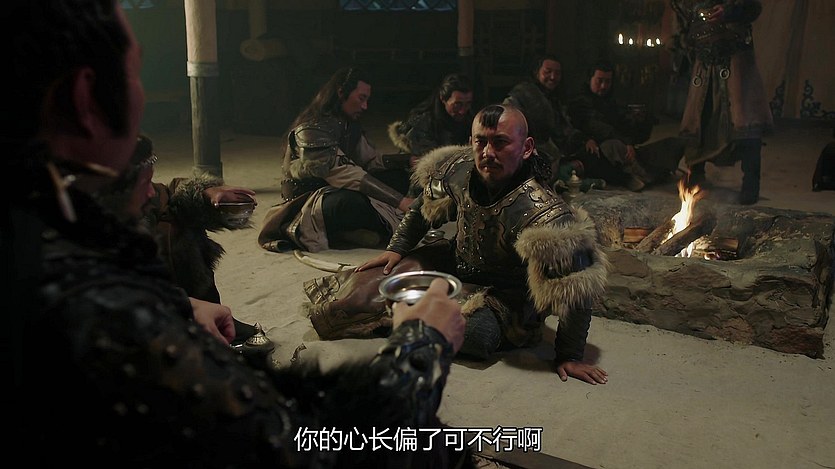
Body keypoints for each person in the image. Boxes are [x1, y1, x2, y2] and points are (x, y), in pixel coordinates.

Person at [4, 1, 470, 466]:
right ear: (84, 98)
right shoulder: (97, 308)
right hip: (309, 204)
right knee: (433, 448)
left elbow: (162, 197)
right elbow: (297, 447)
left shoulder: (54, 216)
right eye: (135, 73)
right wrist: (421, 345)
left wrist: (179, 303)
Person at [304, 104, 610, 385]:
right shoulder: (459, 168)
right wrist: (396, 248)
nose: (488, 152)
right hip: (455, 259)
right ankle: (417, 308)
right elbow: (422, 208)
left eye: (500, 142)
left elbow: (576, 289)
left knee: (476, 336)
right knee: (367, 287)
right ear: (471, 141)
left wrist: (570, 355)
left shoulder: (547, 214)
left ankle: (408, 316)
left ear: (526, 147)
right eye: (481, 141)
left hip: (506, 294)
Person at [97, 134, 260, 345]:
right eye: (144, 183)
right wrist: (184, 307)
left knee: (177, 218)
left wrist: (207, 194)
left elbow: (167, 196)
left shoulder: (141, 196)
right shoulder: (83, 235)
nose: (150, 192)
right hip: (124, 330)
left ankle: (208, 314)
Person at [259, 67, 414, 253]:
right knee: (351, 203)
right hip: (309, 201)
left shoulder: (348, 124)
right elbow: (345, 173)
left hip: (338, 190)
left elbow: (370, 160)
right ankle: (342, 233)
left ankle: (351, 231)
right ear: (341, 92)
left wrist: (407, 161)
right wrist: (400, 201)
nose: (365, 106)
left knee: (399, 177)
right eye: (361, 98)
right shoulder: (311, 129)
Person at [670, 0, 774, 204]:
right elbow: (684, 20)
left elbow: (753, 7)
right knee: (699, 119)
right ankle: (696, 177)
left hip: (735, 61)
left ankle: (750, 185)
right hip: (703, 63)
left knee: (744, 122)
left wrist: (728, 11)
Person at [568, 60, 686, 191]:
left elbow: (634, 134)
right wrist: (626, 142)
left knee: (673, 144)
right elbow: (598, 128)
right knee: (614, 146)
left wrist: (641, 120)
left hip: (623, 152)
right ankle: (639, 176)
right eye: (599, 81)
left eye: (607, 82)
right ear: (590, 79)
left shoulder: (610, 101)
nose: (603, 86)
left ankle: (647, 173)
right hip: (598, 154)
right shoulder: (580, 102)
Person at [503, 54, 610, 192]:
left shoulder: (555, 97)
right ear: (537, 72)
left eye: (557, 73)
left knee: (592, 153)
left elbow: (564, 128)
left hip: (556, 148)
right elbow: (508, 116)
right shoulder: (523, 93)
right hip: (532, 148)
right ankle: (570, 181)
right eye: (548, 72)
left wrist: (585, 140)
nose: (553, 77)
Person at [387, 72, 475, 158]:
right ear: (443, 99)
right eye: (457, 105)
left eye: (468, 104)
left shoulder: (471, 119)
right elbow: (432, 160)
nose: (462, 111)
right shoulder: (422, 123)